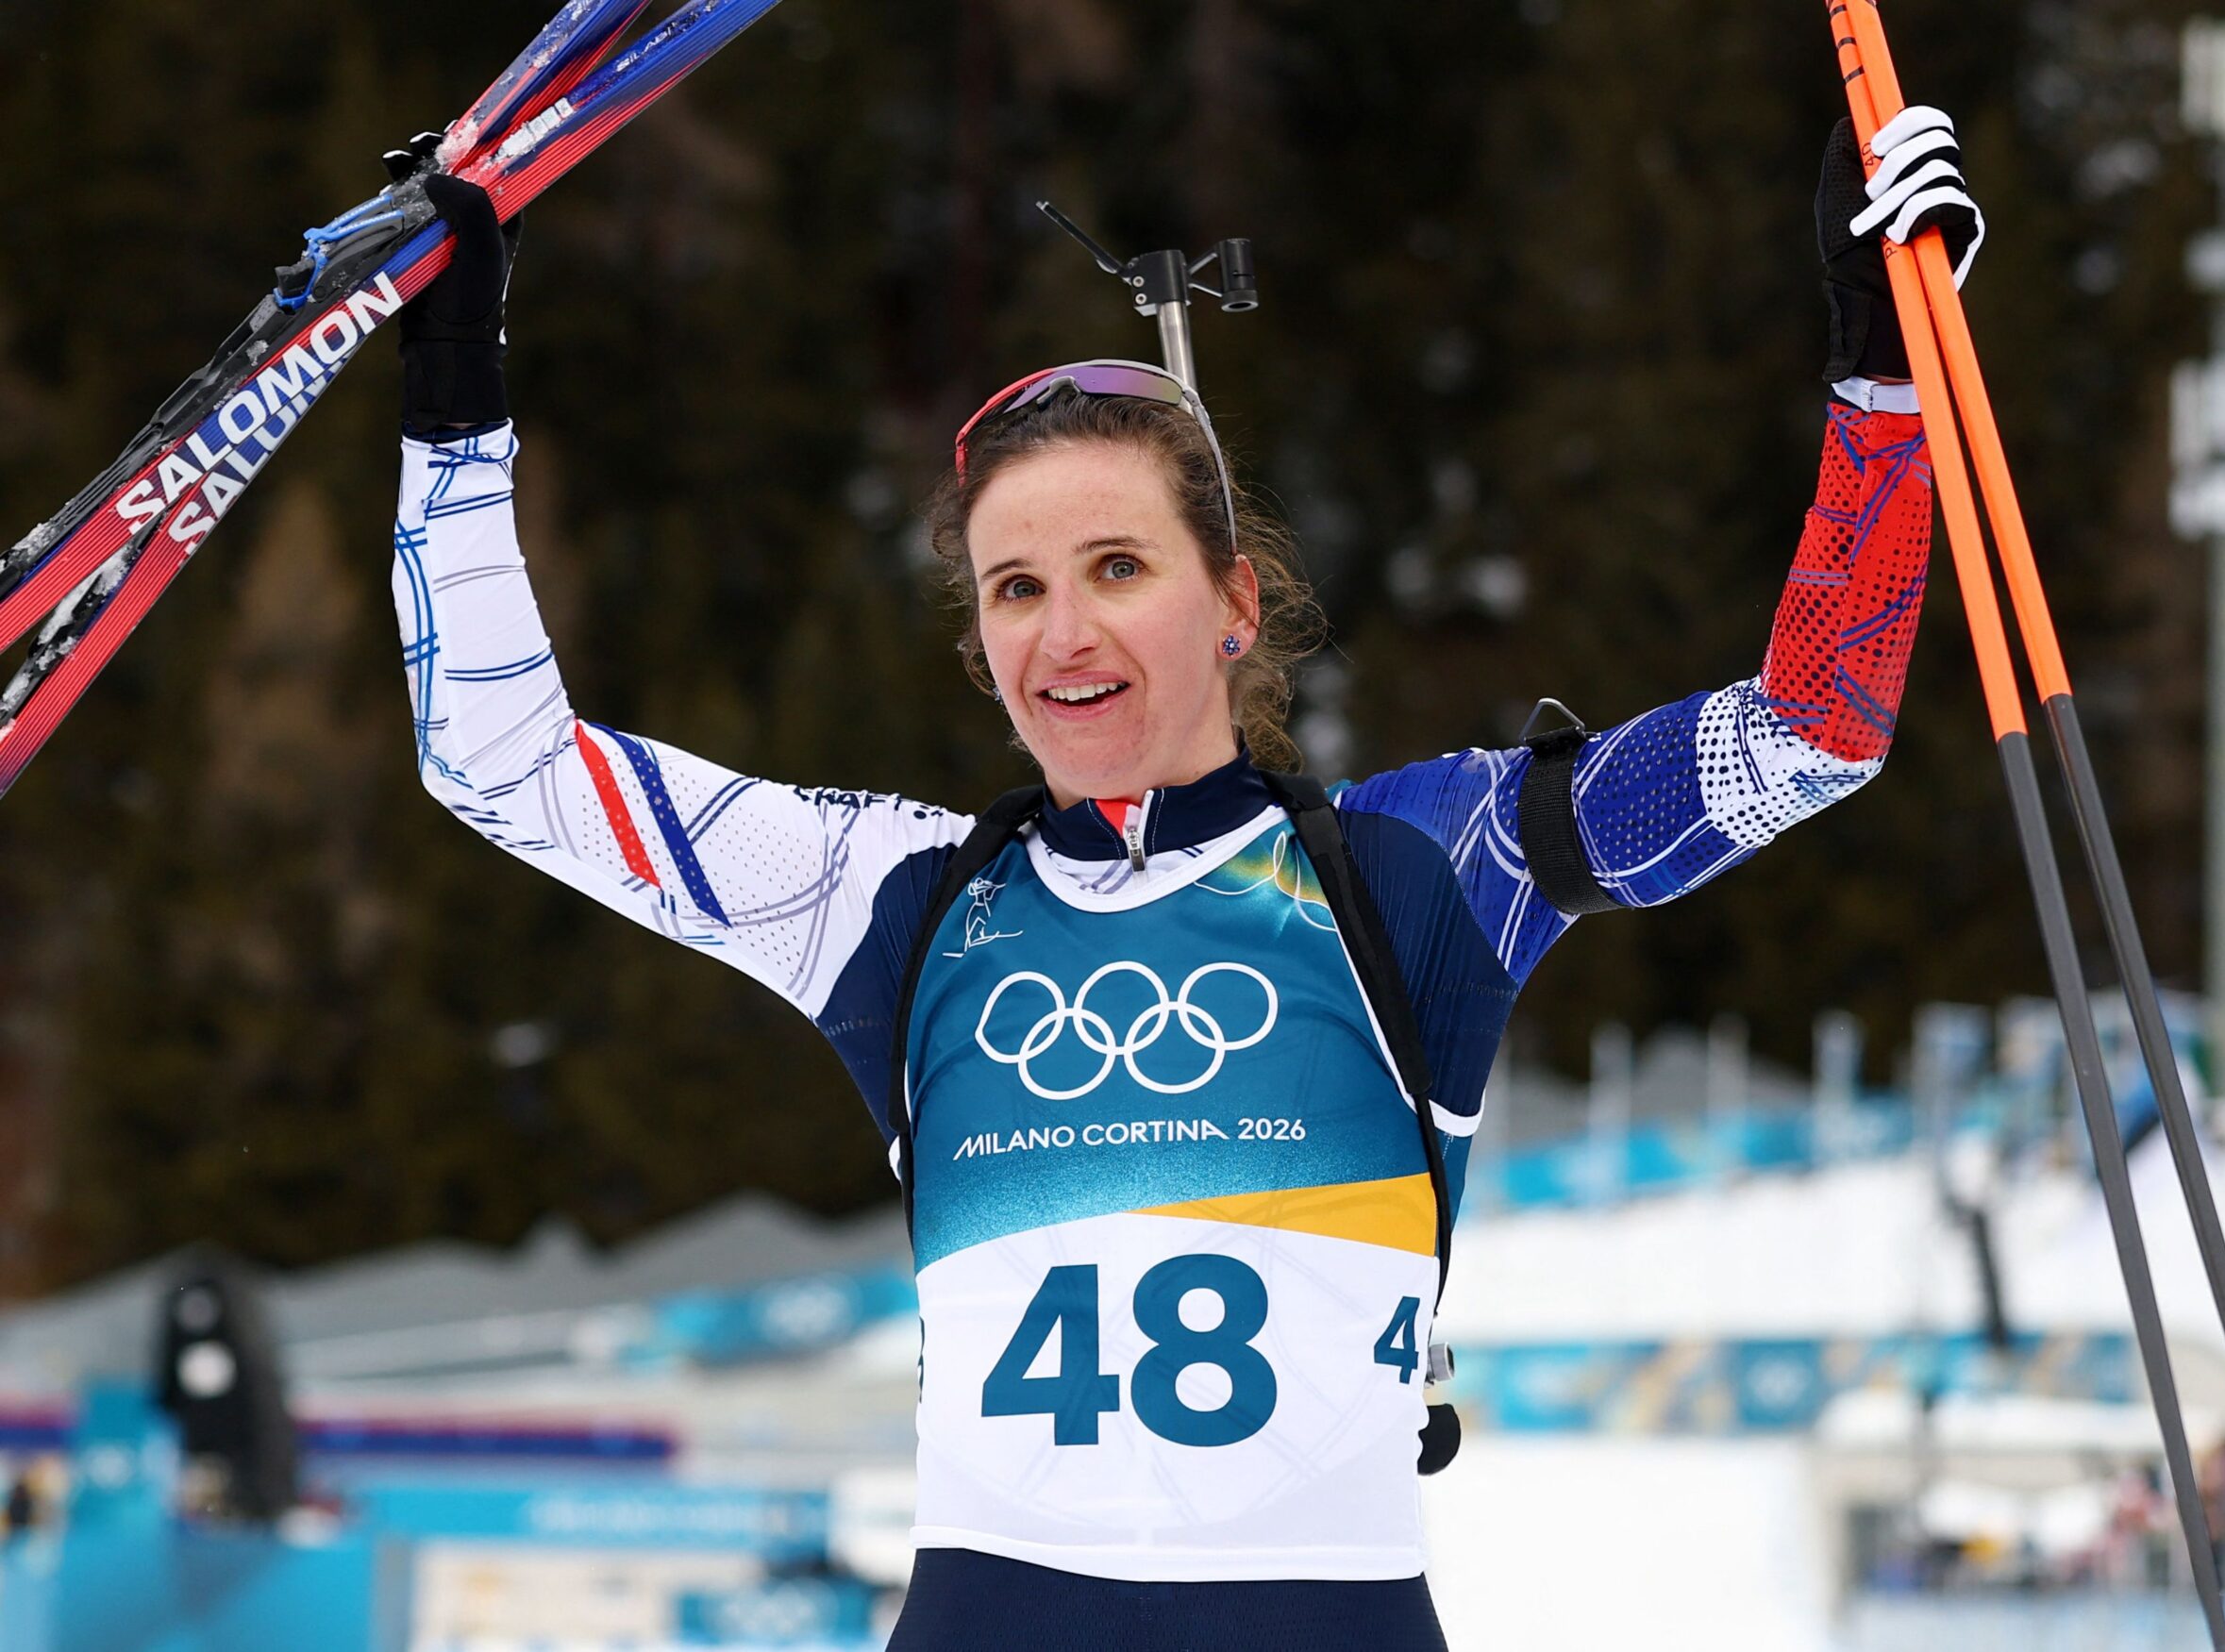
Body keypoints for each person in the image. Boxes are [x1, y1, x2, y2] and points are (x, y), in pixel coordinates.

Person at [389, 109, 1982, 1652]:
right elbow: (500, 764)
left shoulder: (1418, 870)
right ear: (978, 643)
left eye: (1116, 569)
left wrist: (1883, 380)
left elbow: (1805, 734)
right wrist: (455, 404)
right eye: (1015, 588)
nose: (1062, 633)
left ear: (1232, 602)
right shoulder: (892, 899)